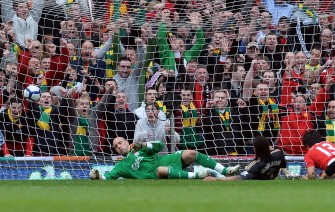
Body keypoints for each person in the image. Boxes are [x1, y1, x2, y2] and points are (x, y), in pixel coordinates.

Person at [89, 137, 241, 180]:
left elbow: (160, 145)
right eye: (116, 146)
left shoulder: (140, 149)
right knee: (161, 170)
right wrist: (97, 176)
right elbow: (108, 177)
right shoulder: (122, 165)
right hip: (156, 173)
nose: (119, 146)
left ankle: (225, 170)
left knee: (191, 153)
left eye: (120, 143)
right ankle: (197, 175)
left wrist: (142, 145)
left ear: (127, 142)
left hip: (164, 161)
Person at [204, 136, 291, 181]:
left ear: (256, 149)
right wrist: (289, 175)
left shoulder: (256, 165)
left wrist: (217, 179)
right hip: (272, 178)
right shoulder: (279, 153)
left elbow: (238, 178)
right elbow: (282, 166)